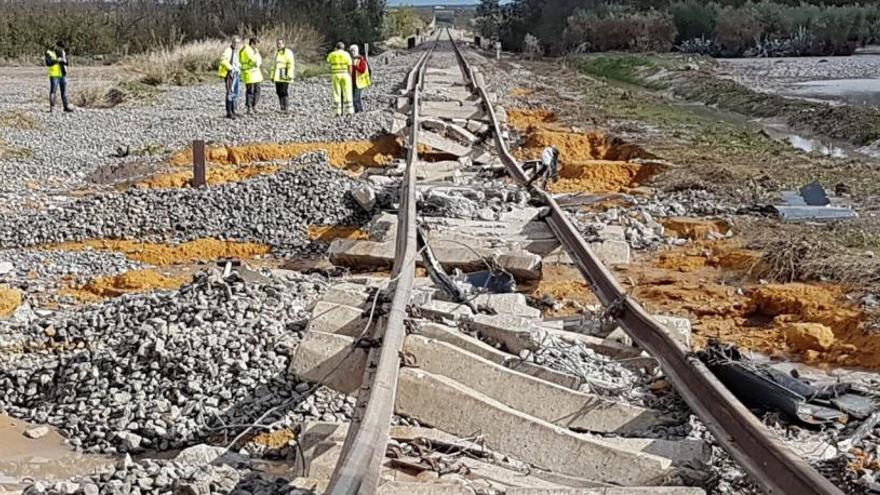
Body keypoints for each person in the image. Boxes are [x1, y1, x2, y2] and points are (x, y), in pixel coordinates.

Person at [218, 36, 242, 119]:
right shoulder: (228, 50)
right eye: (235, 42)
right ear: (232, 43)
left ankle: (233, 110)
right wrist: (231, 69)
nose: (237, 44)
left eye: (238, 43)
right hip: (230, 74)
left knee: (235, 92)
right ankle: (229, 112)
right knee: (230, 92)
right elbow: (223, 60)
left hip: (236, 73)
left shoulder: (237, 51)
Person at [326, 42, 353, 116]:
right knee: (347, 92)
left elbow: (328, 62)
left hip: (335, 74)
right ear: (343, 48)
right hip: (345, 74)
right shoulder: (346, 54)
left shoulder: (332, 54)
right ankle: (349, 110)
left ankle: (337, 111)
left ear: (336, 47)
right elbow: (350, 66)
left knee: (336, 92)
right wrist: (350, 76)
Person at [45, 41, 72, 113]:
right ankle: (52, 108)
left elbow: (67, 62)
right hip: (54, 74)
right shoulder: (49, 52)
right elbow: (48, 63)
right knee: (53, 91)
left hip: (63, 74)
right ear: (56, 46)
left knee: (64, 92)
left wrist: (64, 61)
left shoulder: (63, 52)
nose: (61, 49)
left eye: (62, 48)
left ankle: (66, 107)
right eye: (60, 47)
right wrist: (57, 60)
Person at [240, 37, 264, 115]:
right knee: (250, 91)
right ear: (252, 43)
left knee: (257, 91)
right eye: (256, 44)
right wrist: (256, 62)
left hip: (256, 74)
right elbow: (254, 61)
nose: (257, 46)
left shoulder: (255, 51)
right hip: (249, 73)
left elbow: (259, 61)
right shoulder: (246, 50)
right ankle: (249, 107)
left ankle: (254, 105)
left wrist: (257, 61)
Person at [271, 39, 295, 112]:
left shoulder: (288, 52)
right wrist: (272, 76)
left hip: (284, 74)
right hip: (277, 75)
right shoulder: (277, 53)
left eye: (280, 43)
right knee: (278, 91)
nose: (278, 45)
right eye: (277, 44)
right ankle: (282, 106)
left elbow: (291, 64)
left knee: (284, 91)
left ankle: (286, 107)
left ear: (284, 44)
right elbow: (274, 65)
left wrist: (289, 74)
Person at [349, 44, 371, 114]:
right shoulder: (351, 59)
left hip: (360, 82)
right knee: (354, 98)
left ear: (356, 51)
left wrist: (355, 67)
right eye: (351, 51)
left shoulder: (361, 59)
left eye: (353, 51)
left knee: (356, 98)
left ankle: (359, 111)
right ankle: (357, 111)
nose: (352, 52)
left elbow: (362, 70)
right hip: (353, 82)